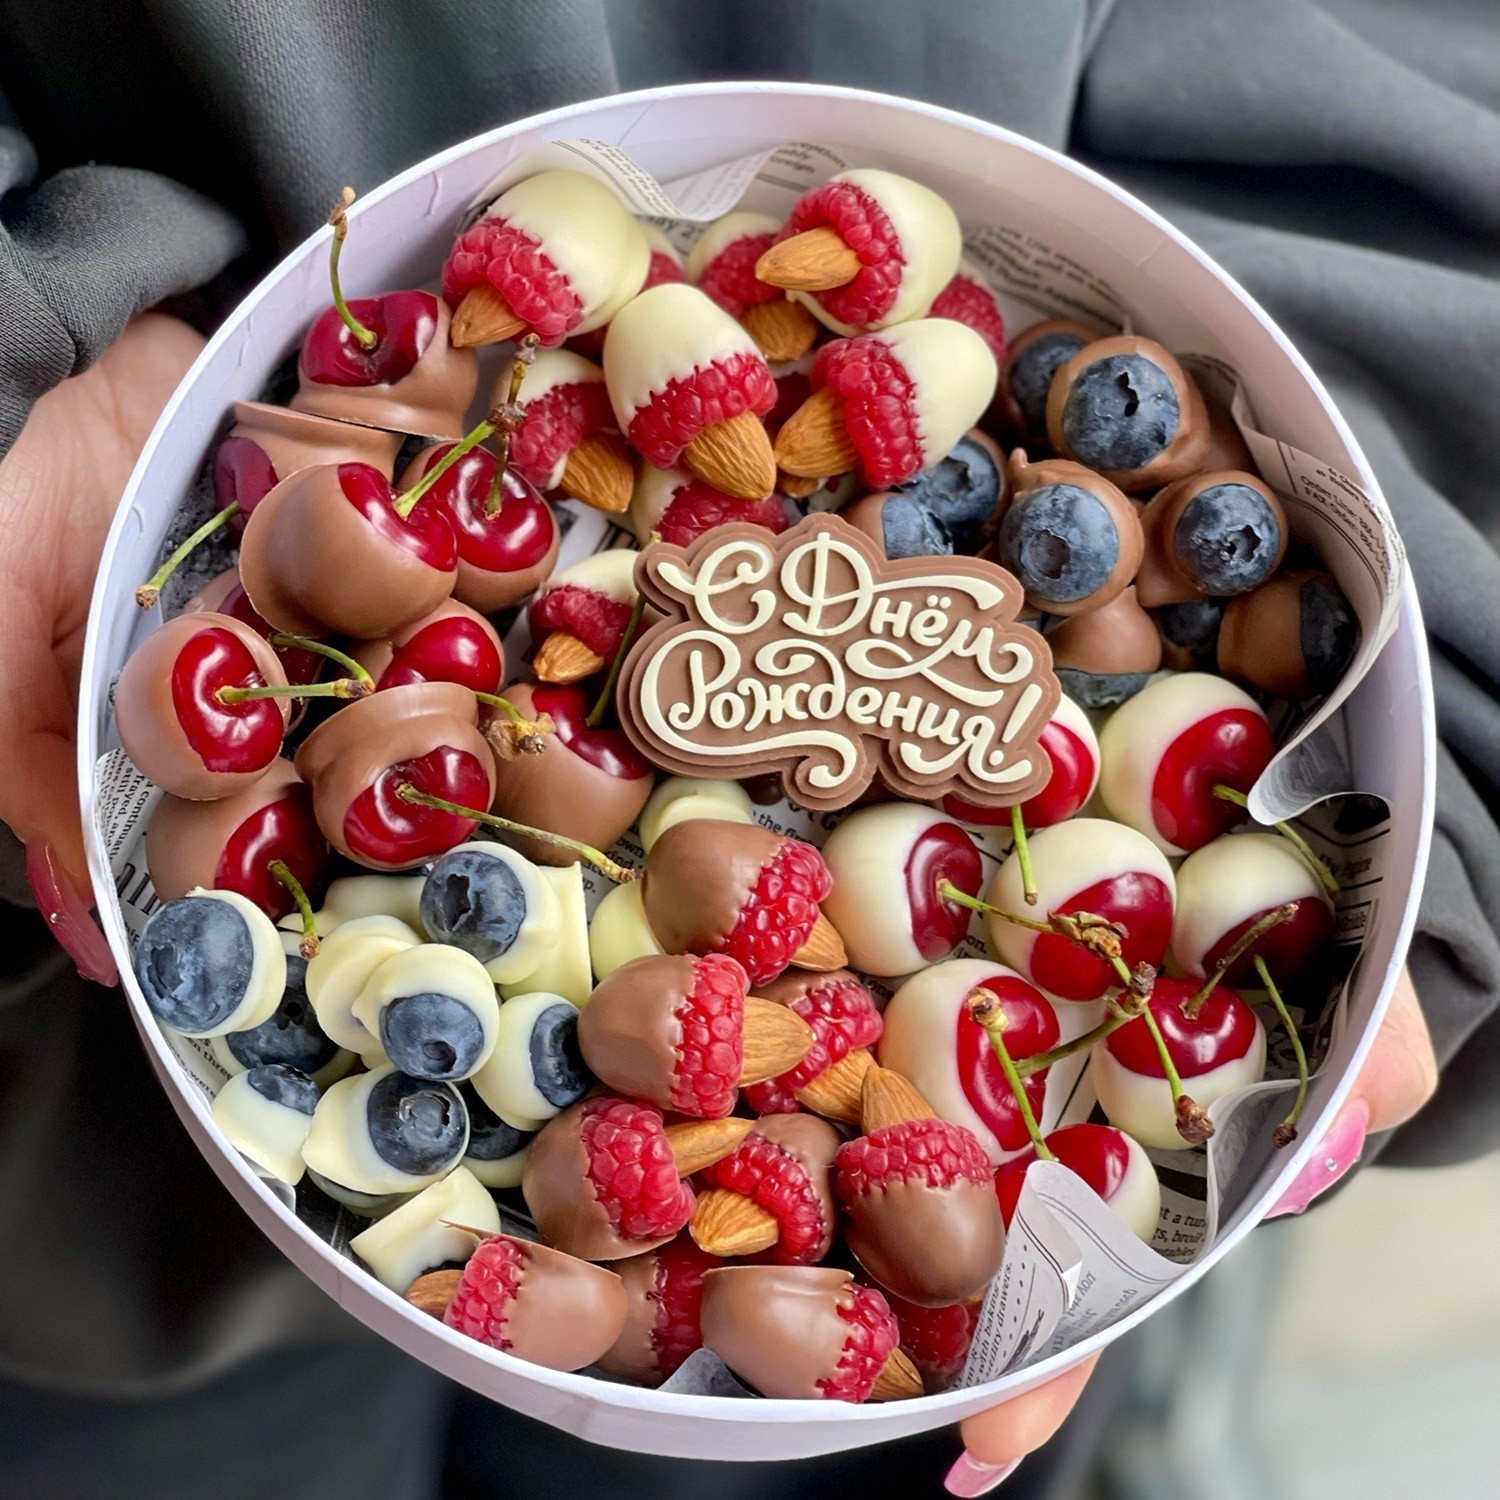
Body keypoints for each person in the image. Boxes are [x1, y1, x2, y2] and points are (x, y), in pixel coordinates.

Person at [1, 3, 1491, 1495]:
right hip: (93, 1186)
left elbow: (1398, 153)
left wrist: (1451, 796)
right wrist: (30, 349)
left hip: (793, 1332)